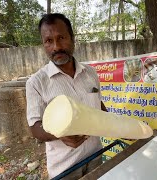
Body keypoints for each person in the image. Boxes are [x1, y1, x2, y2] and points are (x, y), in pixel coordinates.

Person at [26, 13, 107, 179]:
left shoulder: (90, 73)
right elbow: (35, 127)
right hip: (65, 168)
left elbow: (99, 106)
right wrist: (60, 133)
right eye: (48, 41)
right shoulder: (36, 82)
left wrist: (122, 125)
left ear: (72, 38)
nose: (56, 47)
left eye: (61, 37)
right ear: (43, 44)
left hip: (96, 156)